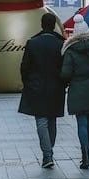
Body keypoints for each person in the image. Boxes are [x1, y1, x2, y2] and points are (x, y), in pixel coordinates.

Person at [18, 12, 66, 168]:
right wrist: (64, 83)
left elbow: (24, 67)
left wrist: (27, 83)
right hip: (56, 86)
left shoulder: (33, 43)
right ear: (54, 25)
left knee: (41, 120)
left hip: (37, 86)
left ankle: (47, 154)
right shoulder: (61, 44)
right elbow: (65, 67)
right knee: (52, 119)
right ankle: (49, 150)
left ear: (42, 24)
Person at [60, 16, 89, 169]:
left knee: (81, 122)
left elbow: (65, 73)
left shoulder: (71, 50)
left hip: (77, 87)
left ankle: (84, 151)